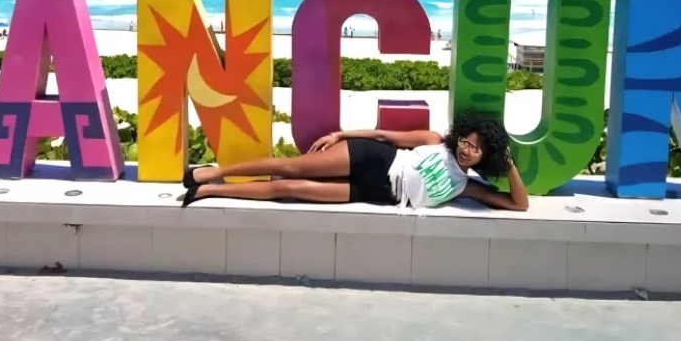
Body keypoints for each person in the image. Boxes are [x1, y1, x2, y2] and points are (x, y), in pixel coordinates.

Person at [181, 111, 529, 212]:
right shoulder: (434, 140)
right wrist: (342, 135)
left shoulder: (465, 186)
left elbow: (519, 204)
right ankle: (215, 172)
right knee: (289, 166)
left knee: (288, 189)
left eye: (476, 149)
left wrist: (509, 164)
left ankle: (211, 191)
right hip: (373, 156)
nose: (467, 149)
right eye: (466, 141)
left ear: (486, 156)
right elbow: (385, 136)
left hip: (377, 192)